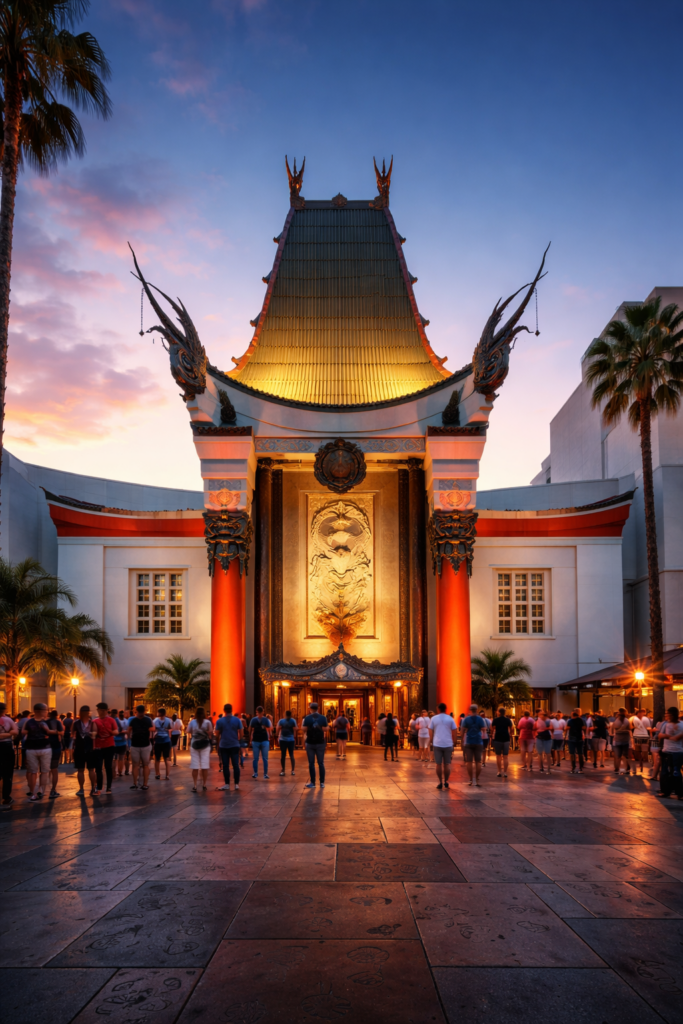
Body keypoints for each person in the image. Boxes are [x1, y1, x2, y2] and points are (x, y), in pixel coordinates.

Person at [21, 703, 53, 801]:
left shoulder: (29, 722)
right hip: (45, 748)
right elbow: (51, 733)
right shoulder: (48, 722)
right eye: (46, 710)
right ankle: (40, 792)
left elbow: (23, 732)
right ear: (41, 711)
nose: (47, 712)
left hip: (31, 749)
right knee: (44, 772)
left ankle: (33, 793)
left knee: (32, 772)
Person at [215, 702, 243, 791]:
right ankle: (236, 784)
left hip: (224, 745)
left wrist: (218, 743)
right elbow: (241, 733)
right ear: (232, 710)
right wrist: (237, 739)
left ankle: (227, 784)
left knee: (225, 765)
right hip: (234, 745)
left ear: (224, 710)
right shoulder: (237, 720)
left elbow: (217, 734)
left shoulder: (219, 721)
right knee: (236, 765)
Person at [657, 707, 683, 799]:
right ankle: (669, 791)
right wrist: (669, 736)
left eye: (667, 714)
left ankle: (677, 792)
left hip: (676, 751)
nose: (666, 715)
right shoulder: (665, 724)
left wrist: (669, 737)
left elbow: (677, 738)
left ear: (672, 715)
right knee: (666, 772)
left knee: (674, 772)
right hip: (668, 751)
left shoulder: (681, 724)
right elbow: (660, 735)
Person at [92, 703, 118, 794]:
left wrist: (109, 731)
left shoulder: (111, 720)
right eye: (98, 710)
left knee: (108, 767)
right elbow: (93, 733)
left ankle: (109, 787)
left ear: (105, 711)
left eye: (100, 710)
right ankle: (99, 787)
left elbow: (116, 731)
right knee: (98, 767)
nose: (99, 712)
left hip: (109, 746)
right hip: (98, 747)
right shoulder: (95, 721)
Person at [127, 705, 154, 790]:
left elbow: (129, 730)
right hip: (145, 744)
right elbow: (153, 729)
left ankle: (135, 783)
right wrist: (146, 730)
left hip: (135, 744)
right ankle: (145, 784)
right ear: (145, 710)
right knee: (145, 765)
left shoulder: (133, 720)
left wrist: (130, 738)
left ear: (136, 711)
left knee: (135, 765)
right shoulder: (148, 719)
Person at [458, 703, 486, 787]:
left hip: (469, 741)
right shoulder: (480, 719)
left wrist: (462, 741)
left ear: (470, 710)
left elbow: (462, 730)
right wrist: (481, 735)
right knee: (478, 761)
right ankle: (476, 779)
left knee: (469, 761)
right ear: (477, 710)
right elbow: (484, 729)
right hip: (478, 741)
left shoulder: (466, 719)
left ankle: (470, 779)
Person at [186, 707, 213, 792]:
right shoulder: (207, 722)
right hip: (205, 745)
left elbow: (188, 731)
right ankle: (204, 785)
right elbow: (211, 732)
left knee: (195, 766)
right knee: (204, 766)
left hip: (194, 745)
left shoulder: (192, 722)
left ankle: (195, 785)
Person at [302, 701, 328, 788]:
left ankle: (313, 782)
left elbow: (304, 729)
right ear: (318, 708)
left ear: (310, 709)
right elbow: (325, 729)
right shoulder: (323, 717)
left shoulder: (307, 718)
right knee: (321, 763)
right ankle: (322, 782)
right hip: (320, 742)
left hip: (310, 742)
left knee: (311, 763)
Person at [0, 702, 18, 804]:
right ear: (5, 710)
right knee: (8, 773)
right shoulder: (8, 720)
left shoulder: (7, 719)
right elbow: (15, 732)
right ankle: (6, 797)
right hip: (7, 746)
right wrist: (8, 734)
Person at [250, 707, 272, 780]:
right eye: (258, 712)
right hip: (257, 739)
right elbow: (251, 729)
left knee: (264, 758)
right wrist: (251, 739)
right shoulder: (254, 720)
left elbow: (269, 728)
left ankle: (264, 773)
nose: (259, 714)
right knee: (256, 758)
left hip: (263, 739)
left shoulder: (265, 719)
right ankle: (256, 772)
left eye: (260, 712)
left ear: (262, 712)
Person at [491, 707, 513, 778]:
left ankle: (499, 771)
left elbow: (492, 728)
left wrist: (492, 733)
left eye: (497, 711)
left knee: (498, 756)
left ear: (499, 712)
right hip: (506, 738)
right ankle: (505, 772)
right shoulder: (508, 720)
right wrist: (510, 734)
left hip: (498, 738)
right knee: (505, 756)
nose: (496, 712)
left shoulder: (496, 720)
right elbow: (511, 728)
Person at [610, 708, 633, 775]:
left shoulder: (616, 721)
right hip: (625, 740)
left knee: (618, 756)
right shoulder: (627, 721)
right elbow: (630, 728)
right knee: (625, 755)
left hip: (618, 740)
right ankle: (627, 769)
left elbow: (614, 728)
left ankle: (617, 769)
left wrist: (619, 730)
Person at [630, 709, 651, 774]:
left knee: (640, 750)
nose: (642, 714)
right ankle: (641, 762)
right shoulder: (644, 719)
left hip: (639, 736)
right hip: (641, 736)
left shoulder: (634, 718)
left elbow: (630, 727)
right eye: (642, 712)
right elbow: (648, 727)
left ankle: (641, 762)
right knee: (639, 750)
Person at [277, 709, 297, 776]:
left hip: (283, 739)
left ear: (285, 714)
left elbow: (277, 728)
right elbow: (296, 729)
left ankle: (283, 770)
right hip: (291, 739)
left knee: (283, 755)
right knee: (291, 754)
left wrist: (277, 735)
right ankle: (293, 770)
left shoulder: (281, 721)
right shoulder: (293, 720)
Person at [111, 709, 128, 778]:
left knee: (114, 759)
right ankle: (120, 772)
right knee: (121, 758)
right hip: (123, 741)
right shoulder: (126, 721)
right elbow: (126, 731)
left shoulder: (113, 720)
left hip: (114, 741)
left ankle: (113, 773)